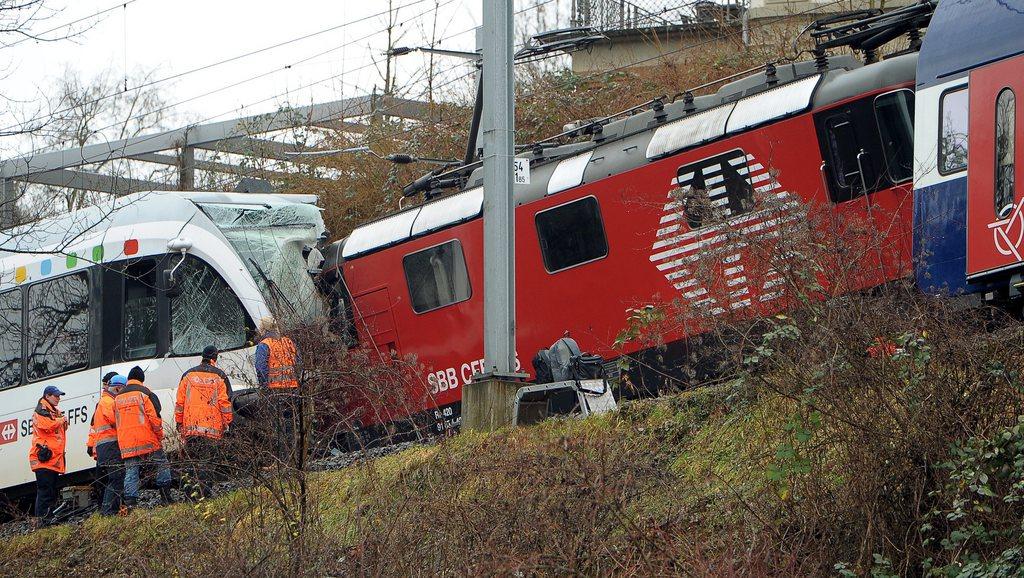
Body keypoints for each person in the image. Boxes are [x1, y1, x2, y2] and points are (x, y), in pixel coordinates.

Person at [175, 345, 233, 499]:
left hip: (191, 428)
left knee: (191, 462)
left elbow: (180, 402)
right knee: (207, 462)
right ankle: (204, 494)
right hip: (211, 429)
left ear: (202, 356)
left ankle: (189, 495)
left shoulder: (187, 375)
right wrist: (229, 422)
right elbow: (225, 402)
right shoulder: (220, 376)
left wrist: (179, 423)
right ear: (215, 358)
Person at [115, 366, 173, 506]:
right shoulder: (146, 393)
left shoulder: (117, 398)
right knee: (162, 464)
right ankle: (165, 498)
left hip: (127, 442)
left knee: (131, 471)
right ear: (142, 379)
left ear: (129, 379)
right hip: (147, 440)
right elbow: (154, 418)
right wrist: (159, 435)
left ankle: (130, 504)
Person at [255, 317, 302, 464]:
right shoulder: (288, 342)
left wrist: (265, 388)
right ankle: (295, 458)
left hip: (275, 391)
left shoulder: (264, 345)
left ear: (263, 329)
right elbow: (299, 362)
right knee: (291, 425)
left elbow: (260, 368)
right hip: (292, 389)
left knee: (278, 427)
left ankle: (282, 462)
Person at [29, 385, 69, 524]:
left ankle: (47, 518)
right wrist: (62, 420)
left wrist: (61, 420)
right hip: (44, 459)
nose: (58, 398)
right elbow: (47, 426)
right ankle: (43, 520)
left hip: (51, 459)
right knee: (45, 491)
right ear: (47, 396)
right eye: (56, 396)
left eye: (59, 396)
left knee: (50, 491)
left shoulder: (53, 411)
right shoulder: (42, 410)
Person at [87, 372, 125, 516]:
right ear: (117, 389)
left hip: (105, 447)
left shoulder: (104, 401)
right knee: (116, 478)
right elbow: (115, 420)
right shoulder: (108, 402)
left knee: (113, 479)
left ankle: (108, 511)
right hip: (110, 447)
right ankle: (109, 511)